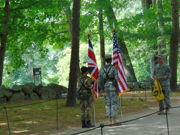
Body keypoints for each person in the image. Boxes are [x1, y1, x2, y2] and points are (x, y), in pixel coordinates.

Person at [98, 54, 120, 125]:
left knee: (107, 104)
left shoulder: (102, 68)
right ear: (111, 59)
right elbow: (116, 79)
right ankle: (114, 120)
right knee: (114, 103)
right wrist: (117, 88)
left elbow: (100, 80)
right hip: (112, 86)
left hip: (105, 86)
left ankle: (109, 121)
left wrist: (102, 88)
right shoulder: (114, 68)